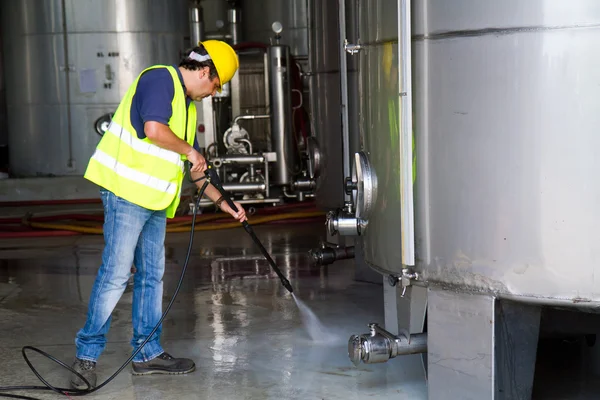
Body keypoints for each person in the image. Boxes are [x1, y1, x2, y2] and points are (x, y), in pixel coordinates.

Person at [70, 40, 246, 390]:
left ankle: (147, 354)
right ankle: (85, 357)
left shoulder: (189, 108)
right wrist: (190, 153)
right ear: (205, 71)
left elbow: (195, 168)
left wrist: (224, 201)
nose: (213, 92)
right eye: (215, 85)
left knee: (152, 276)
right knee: (116, 275)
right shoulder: (159, 80)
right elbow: (154, 130)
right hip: (125, 194)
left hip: (153, 203)